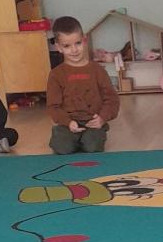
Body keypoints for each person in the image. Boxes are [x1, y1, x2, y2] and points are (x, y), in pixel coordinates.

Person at [47, 16, 120, 154]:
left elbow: (112, 99)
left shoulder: (98, 70)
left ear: (84, 40)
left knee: (92, 147)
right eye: (67, 46)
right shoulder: (56, 75)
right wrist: (67, 122)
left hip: (93, 122)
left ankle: (90, 136)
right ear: (58, 47)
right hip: (67, 124)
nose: (74, 50)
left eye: (78, 43)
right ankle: (67, 136)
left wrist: (102, 118)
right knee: (63, 148)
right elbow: (53, 106)